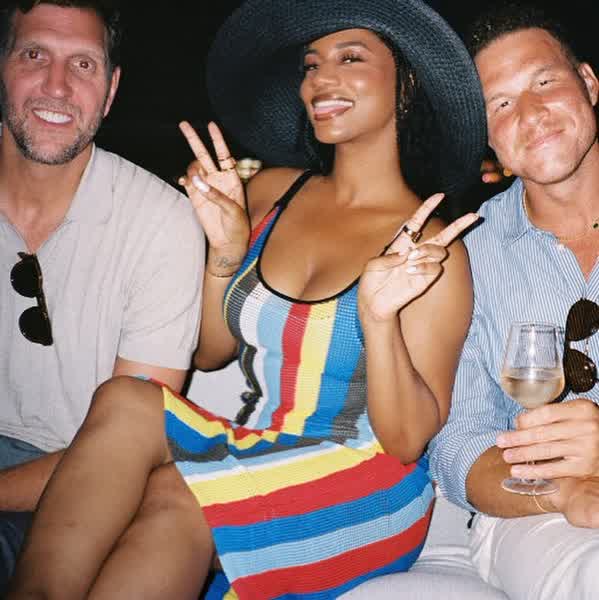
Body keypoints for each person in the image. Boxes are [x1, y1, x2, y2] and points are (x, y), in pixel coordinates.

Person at [7, 0, 486, 597]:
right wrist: (226, 256)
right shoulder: (271, 192)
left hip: (367, 479)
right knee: (126, 400)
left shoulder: (432, 248)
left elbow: (407, 440)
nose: (320, 79)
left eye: (350, 58)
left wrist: (379, 319)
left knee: (179, 490)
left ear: (405, 86)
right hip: (257, 444)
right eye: (311, 64)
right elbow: (209, 353)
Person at [0, 0, 203, 591]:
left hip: (70, 491)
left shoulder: (161, 224)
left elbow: (129, 446)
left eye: (83, 64)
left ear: (110, 91)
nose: (57, 86)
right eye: (34, 55)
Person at [429, 2, 599, 599]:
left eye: (544, 82)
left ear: (589, 83)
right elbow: (459, 443)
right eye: (499, 104)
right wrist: (565, 490)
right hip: (535, 513)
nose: (529, 114)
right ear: (488, 138)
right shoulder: (467, 256)